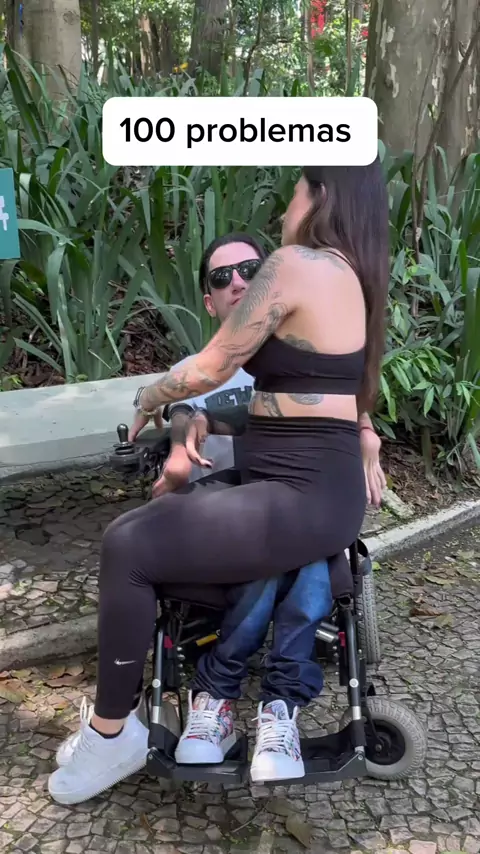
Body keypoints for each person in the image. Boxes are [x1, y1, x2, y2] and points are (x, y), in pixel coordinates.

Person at [48, 162, 390, 805]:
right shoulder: (354, 276)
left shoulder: (296, 264)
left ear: (321, 196)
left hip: (298, 496)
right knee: (144, 535)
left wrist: (150, 396)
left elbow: (210, 367)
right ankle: (150, 717)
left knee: (127, 545)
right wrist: (195, 424)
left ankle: (112, 733)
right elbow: (308, 398)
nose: (285, 209)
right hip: (315, 491)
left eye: (295, 192)